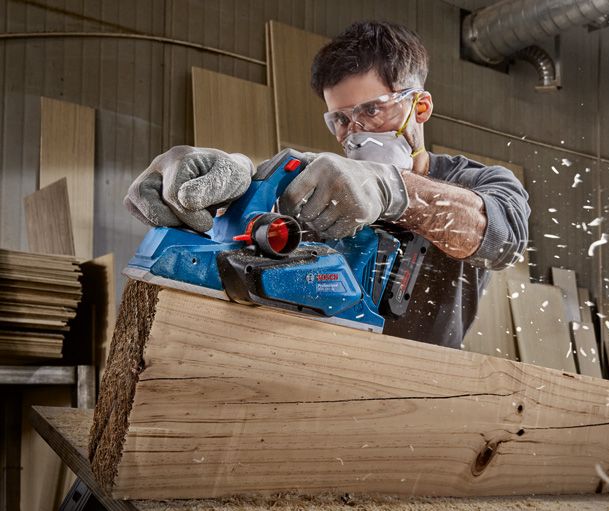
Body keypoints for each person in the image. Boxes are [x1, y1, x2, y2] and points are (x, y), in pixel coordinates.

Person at [124, 21, 530, 349]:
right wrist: (239, 180)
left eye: (372, 110)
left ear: (418, 107)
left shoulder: (478, 182)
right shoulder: (325, 183)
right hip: (321, 376)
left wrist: (391, 190)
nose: (356, 131)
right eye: (340, 118)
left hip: (421, 394)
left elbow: (502, 238)